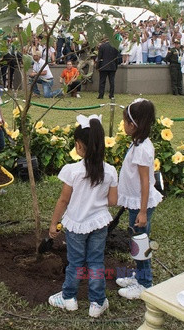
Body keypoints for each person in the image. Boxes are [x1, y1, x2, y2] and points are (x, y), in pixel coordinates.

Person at [48, 115, 118, 318]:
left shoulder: (73, 171)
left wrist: (54, 224)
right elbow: (113, 201)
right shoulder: (111, 171)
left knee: (75, 262)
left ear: (80, 145)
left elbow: (63, 201)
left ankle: (69, 298)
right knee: (96, 261)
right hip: (98, 223)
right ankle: (97, 303)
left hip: (76, 225)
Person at [116, 99, 162, 299]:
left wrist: (142, 212)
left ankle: (145, 283)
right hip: (135, 202)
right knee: (136, 240)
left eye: (125, 121)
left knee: (140, 241)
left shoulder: (143, 149)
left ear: (134, 125)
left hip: (141, 205)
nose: (123, 125)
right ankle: (139, 275)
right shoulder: (139, 143)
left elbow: (145, 183)